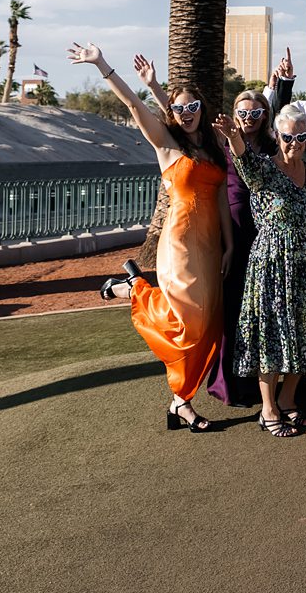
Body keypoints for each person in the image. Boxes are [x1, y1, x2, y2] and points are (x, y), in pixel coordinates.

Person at [72, 42, 230, 432]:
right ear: (171, 114)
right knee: (186, 323)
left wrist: (227, 244)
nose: (187, 114)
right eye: (180, 109)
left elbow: (224, 200)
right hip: (179, 242)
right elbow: (133, 105)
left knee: (209, 326)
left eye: (194, 108)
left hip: (211, 244)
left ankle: (181, 404)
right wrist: (102, 65)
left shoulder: (214, 148)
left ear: (202, 110)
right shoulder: (166, 144)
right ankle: (132, 289)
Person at [213, 104, 306, 437]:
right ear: (277, 136)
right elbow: (245, 163)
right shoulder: (264, 170)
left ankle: (288, 398)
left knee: (304, 336)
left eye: (301, 136)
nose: (294, 142)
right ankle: (268, 410)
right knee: (273, 337)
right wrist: (235, 138)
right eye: (288, 136)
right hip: (272, 266)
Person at [205, 87, 274, 407]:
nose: (249, 119)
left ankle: (265, 382)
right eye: (243, 113)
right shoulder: (222, 144)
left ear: (264, 115)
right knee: (233, 306)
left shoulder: (275, 145)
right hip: (233, 230)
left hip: (265, 233)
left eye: (255, 113)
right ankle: (230, 383)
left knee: (263, 309)